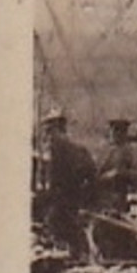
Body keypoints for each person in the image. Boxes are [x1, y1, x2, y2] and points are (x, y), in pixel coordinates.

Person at [36, 109, 96, 254]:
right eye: (47, 132)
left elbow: (88, 174)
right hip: (65, 199)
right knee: (65, 232)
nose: (48, 136)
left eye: (50, 131)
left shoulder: (66, 148)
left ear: (59, 129)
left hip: (66, 200)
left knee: (62, 229)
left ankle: (79, 257)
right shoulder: (65, 149)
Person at [96, 118, 137, 210]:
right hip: (101, 193)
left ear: (125, 133)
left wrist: (121, 173)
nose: (117, 134)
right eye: (115, 130)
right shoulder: (104, 150)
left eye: (121, 131)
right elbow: (96, 170)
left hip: (119, 194)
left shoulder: (130, 151)